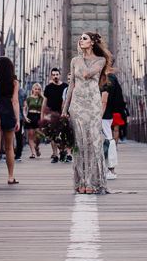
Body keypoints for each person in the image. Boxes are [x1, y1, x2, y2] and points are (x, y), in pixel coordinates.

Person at [62, 32, 110, 194]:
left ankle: (92, 181)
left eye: (84, 38)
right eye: (80, 38)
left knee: (93, 142)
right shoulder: (74, 61)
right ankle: (81, 181)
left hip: (93, 105)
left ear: (92, 43)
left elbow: (87, 73)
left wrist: (83, 59)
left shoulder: (100, 60)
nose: (80, 40)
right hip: (77, 105)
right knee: (79, 143)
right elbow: (72, 85)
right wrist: (64, 109)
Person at [0, 57, 20, 186]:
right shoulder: (14, 82)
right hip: (9, 114)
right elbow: (15, 101)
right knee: (9, 148)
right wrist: (17, 119)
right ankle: (11, 177)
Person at [101, 70, 126, 180]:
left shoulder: (107, 79)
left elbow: (104, 99)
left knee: (107, 139)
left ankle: (110, 169)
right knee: (108, 139)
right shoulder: (111, 78)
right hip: (108, 113)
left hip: (102, 114)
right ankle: (109, 169)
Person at [41, 67, 69, 163]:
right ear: (51, 76)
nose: (55, 76)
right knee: (52, 135)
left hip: (62, 114)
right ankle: (55, 155)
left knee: (63, 135)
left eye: (57, 74)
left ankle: (62, 152)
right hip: (51, 114)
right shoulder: (48, 88)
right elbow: (44, 102)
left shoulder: (65, 86)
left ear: (60, 75)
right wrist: (43, 115)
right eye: (53, 75)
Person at [23, 82, 44, 159]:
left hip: (39, 117)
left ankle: (37, 147)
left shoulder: (42, 99)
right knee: (31, 136)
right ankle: (33, 153)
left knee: (38, 136)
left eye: (39, 89)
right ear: (32, 89)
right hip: (31, 116)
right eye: (35, 89)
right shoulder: (29, 98)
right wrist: (25, 117)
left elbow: (44, 109)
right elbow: (24, 108)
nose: (37, 90)